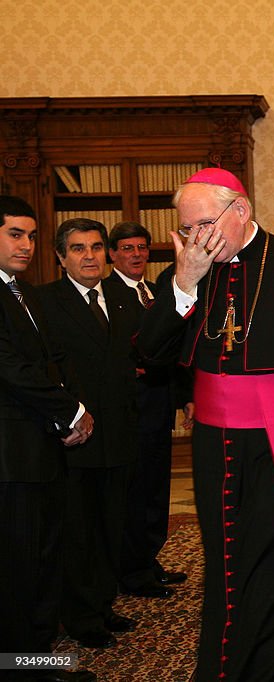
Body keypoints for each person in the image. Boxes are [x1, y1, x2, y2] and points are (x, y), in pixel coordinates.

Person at [135, 169, 274, 680]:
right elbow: (148, 354)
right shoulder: (186, 273)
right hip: (215, 447)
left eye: (205, 224)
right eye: (186, 230)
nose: (197, 240)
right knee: (227, 563)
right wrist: (185, 283)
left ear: (241, 211)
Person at [0, 197, 96, 682]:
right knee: (18, 568)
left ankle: (38, 657)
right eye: (15, 233)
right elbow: (11, 369)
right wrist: (71, 410)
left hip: (42, 449)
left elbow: (54, 359)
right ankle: (24, 668)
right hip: (10, 459)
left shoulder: (24, 292)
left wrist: (72, 414)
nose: (27, 244)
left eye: (32, 235)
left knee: (42, 560)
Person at [38, 219, 139, 650]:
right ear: (61, 258)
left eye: (96, 247)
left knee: (110, 526)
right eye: (78, 249)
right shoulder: (44, 303)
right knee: (78, 532)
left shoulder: (121, 298)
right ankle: (80, 616)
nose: (90, 256)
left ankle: (102, 603)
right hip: (73, 439)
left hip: (118, 435)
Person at [105, 221, 190, 599]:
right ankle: (132, 571)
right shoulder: (104, 294)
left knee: (157, 493)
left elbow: (173, 346)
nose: (136, 254)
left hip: (158, 409)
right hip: (126, 412)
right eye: (127, 248)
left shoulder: (157, 291)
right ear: (112, 254)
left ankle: (148, 559)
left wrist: (183, 395)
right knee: (134, 495)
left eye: (141, 248)